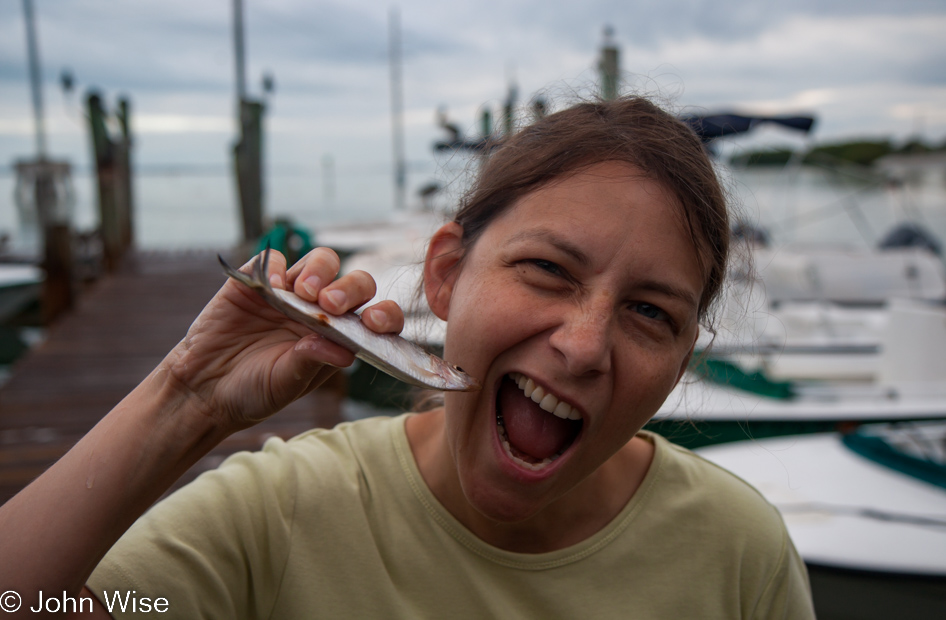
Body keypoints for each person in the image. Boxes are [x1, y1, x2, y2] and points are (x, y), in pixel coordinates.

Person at [0, 97, 814, 618]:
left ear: (681, 358)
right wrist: (186, 399)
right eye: (547, 271)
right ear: (447, 274)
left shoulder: (736, 554)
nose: (584, 344)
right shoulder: (281, 512)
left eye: (649, 313)